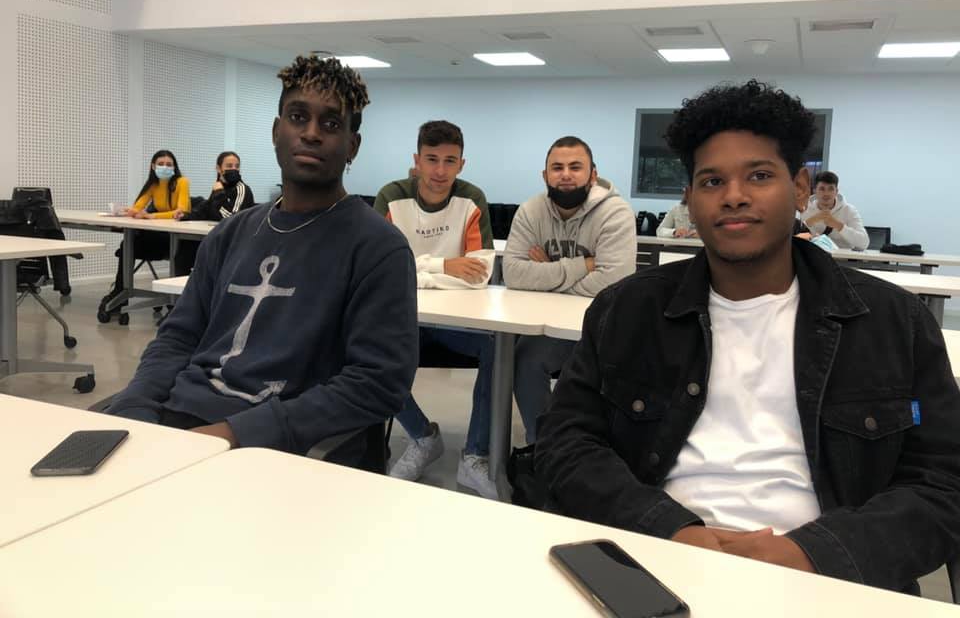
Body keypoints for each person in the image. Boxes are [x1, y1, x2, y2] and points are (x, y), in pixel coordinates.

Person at [536, 80, 960, 594]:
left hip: (832, 579)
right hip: (654, 563)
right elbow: (566, 442)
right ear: (690, 199)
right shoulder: (626, 311)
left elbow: (943, 483)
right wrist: (669, 529)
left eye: (759, 175)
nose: (734, 196)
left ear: (799, 188)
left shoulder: (893, 321)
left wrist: (814, 552)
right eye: (712, 181)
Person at [106, 56, 418, 465]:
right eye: (298, 117)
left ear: (352, 146)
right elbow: (178, 337)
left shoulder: (379, 248)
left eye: (330, 124)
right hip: (178, 417)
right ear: (276, 131)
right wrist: (137, 406)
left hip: (277, 446)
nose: (311, 133)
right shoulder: (230, 234)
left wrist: (232, 435)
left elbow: (378, 382)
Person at [374, 120, 498, 498]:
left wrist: (412, 270)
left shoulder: (471, 199)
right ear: (417, 160)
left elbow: (480, 273)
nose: (440, 171)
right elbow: (378, 268)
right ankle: (422, 437)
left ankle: (475, 454)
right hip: (402, 317)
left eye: (450, 161)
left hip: (456, 322)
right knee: (368, 349)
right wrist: (444, 266)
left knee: (499, 348)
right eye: (431, 159)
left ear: (462, 164)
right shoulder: (391, 197)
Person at [502, 136, 636, 443]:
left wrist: (547, 273)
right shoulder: (530, 211)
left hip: (603, 325)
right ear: (545, 175)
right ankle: (543, 446)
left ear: (593, 174)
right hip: (550, 325)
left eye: (575, 167)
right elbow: (513, 273)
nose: (565, 174)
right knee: (525, 360)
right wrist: (581, 265)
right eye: (557, 167)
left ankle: (589, 447)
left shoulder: (615, 213)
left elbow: (611, 282)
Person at [99, 150, 192, 320]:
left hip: (178, 239)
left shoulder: (181, 182)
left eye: (169, 164)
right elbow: (138, 207)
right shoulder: (153, 184)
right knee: (128, 245)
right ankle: (120, 293)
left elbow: (181, 212)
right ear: (153, 166)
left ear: (174, 167)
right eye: (161, 164)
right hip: (160, 235)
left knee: (133, 243)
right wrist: (125, 211)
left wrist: (151, 216)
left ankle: (175, 304)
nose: (165, 167)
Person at [173, 151, 256, 274]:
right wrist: (185, 215)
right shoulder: (219, 186)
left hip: (232, 240)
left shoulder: (242, 189)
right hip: (214, 235)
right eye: (229, 166)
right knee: (184, 249)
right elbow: (206, 209)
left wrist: (218, 193)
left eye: (237, 166)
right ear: (218, 168)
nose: (234, 169)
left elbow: (232, 218)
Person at [799, 170, 869, 250]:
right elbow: (793, 240)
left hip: (842, 256)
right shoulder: (804, 209)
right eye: (822, 189)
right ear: (814, 191)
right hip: (813, 255)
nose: (826, 193)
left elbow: (864, 243)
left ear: (836, 191)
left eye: (831, 189)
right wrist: (809, 222)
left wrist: (838, 225)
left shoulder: (849, 210)